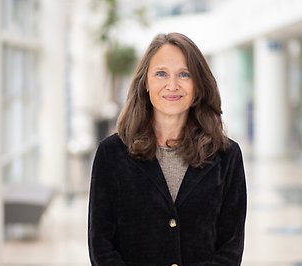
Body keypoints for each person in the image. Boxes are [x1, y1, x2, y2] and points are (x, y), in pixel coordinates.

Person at [88, 32, 247, 266]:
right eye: (161, 73)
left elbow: (231, 248)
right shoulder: (111, 154)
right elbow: (101, 246)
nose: (172, 85)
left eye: (184, 74)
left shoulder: (227, 156)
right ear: (145, 83)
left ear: (198, 85)